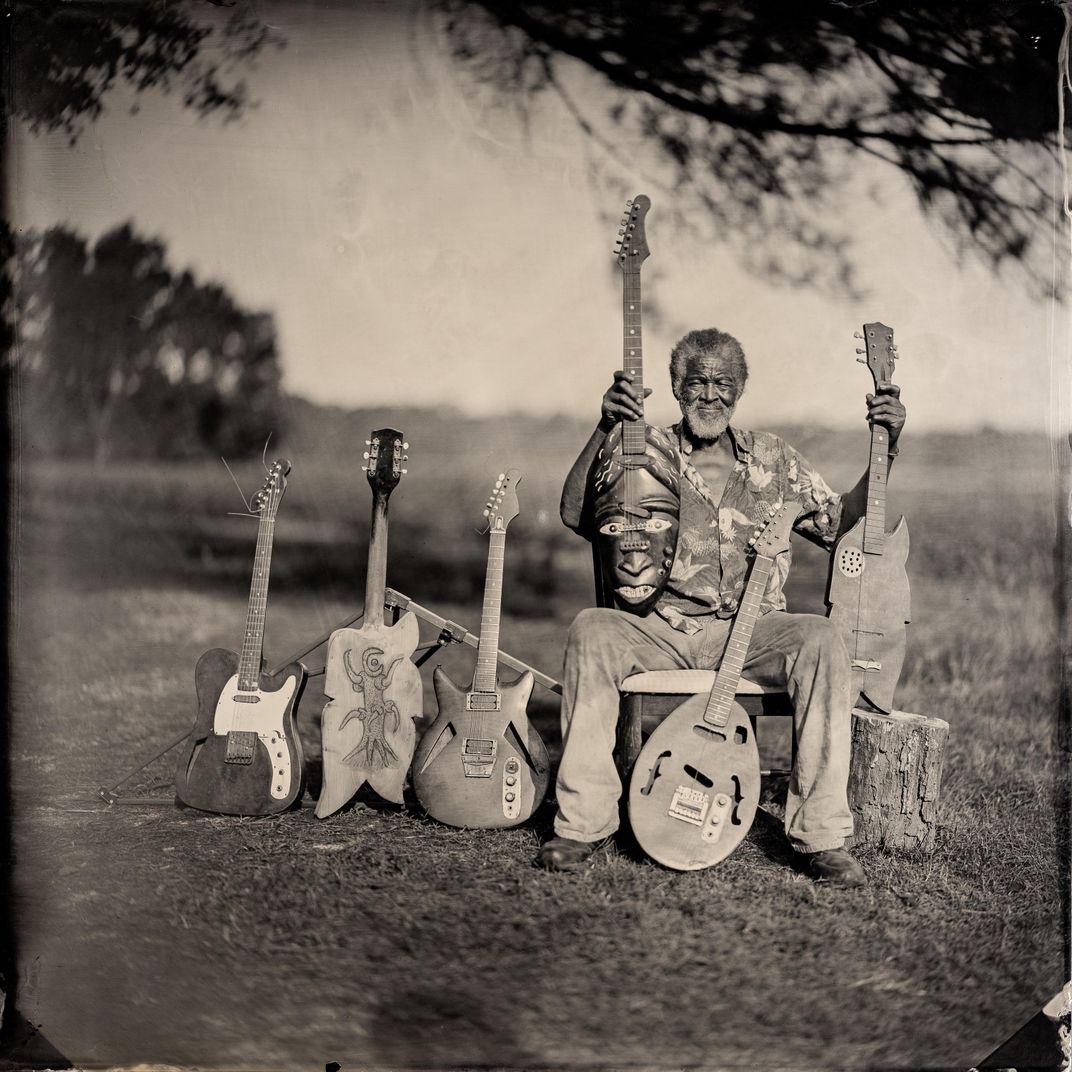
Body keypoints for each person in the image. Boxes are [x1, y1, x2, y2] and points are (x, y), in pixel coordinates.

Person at [539, 327, 906, 888]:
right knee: (592, 628)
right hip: (659, 628)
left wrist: (885, 444)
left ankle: (822, 837)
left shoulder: (776, 459)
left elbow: (840, 523)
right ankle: (582, 825)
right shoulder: (643, 449)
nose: (709, 394)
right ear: (675, 387)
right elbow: (574, 514)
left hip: (755, 630)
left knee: (822, 639)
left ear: (741, 390)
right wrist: (604, 427)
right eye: (697, 381)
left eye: (723, 383)